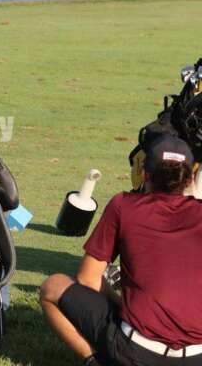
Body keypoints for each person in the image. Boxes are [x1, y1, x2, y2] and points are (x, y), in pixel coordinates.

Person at [41, 135, 202, 366]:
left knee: (53, 285)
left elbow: (87, 278)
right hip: (197, 357)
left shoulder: (124, 205)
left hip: (137, 352)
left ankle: (95, 362)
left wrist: (120, 304)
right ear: (190, 178)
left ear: (145, 174)